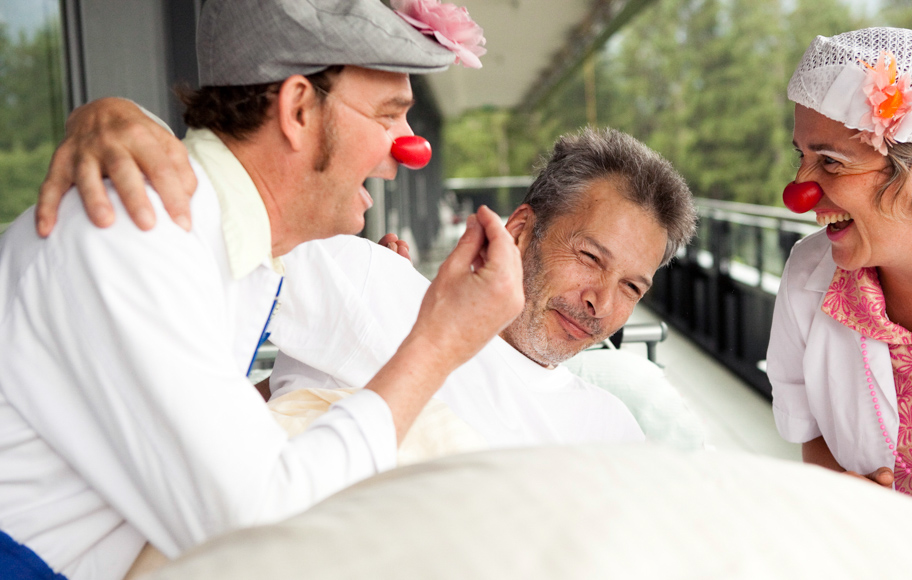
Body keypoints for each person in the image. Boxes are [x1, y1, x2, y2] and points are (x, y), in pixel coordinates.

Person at [0, 1, 523, 578]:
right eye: (389, 116)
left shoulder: (237, 247)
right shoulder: (137, 233)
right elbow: (260, 534)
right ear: (298, 108)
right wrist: (439, 341)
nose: (406, 152)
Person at [38, 108, 702, 447]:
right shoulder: (375, 286)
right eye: (590, 257)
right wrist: (118, 118)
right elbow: (227, 216)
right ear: (522, 229)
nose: (600, 301)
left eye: (631, 287)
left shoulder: (611, 427)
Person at [767, 27, 912, 522]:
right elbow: (809, 431)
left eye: (830, 161)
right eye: (801, 156)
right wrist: (845, 500)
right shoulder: (807, 276)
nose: (799, 192)